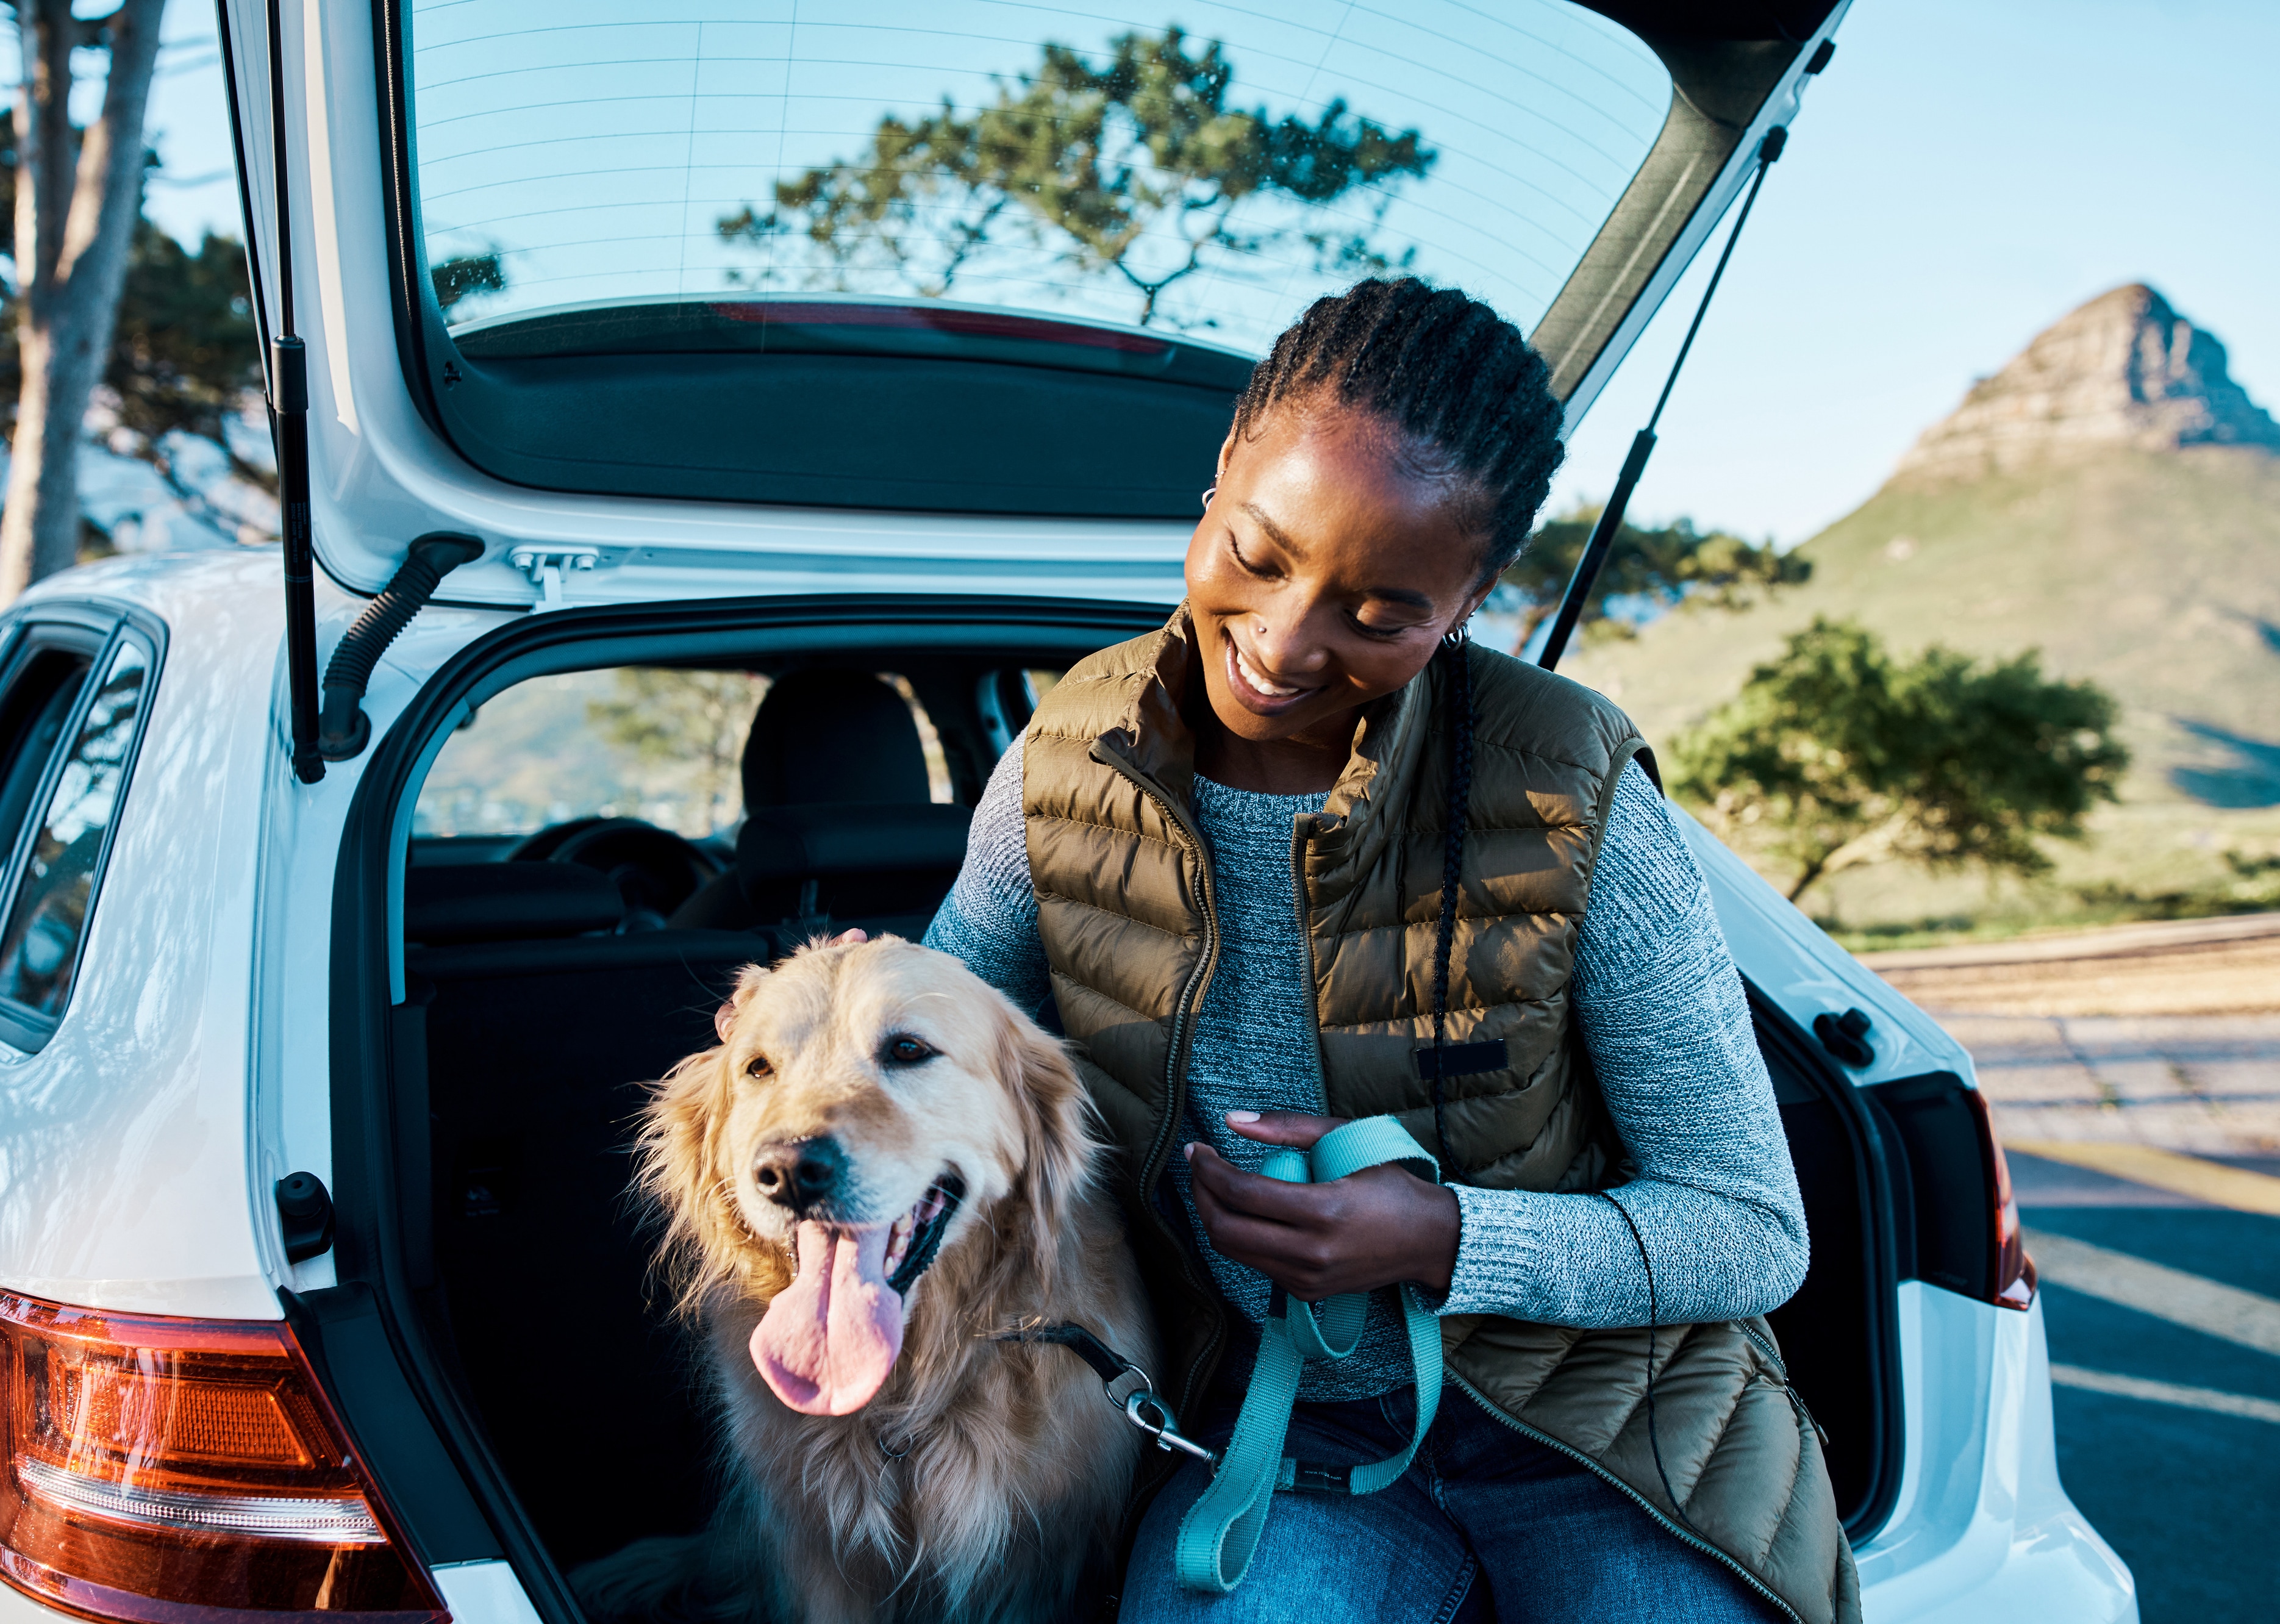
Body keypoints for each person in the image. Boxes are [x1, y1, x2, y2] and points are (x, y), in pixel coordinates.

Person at [924, 277, 1857, 1624]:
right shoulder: (1064, 764)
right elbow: (938, 1063)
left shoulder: (1569, 788)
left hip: (1607, 1435)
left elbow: (1750, 1231)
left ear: (1469, 600)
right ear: (1220, 472)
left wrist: (1439, 1238)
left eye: (1380, 615)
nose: (1285, 642)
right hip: (1273, 1426)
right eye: (1258, 551)